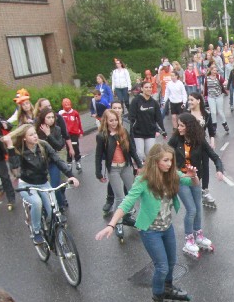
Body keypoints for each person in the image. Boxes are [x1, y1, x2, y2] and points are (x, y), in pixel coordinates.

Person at [95, 144, 196, 302]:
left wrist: (193, 175)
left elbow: (191, 182)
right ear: (155, 161)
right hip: (150, 230)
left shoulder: (172, 174)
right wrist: (112, 224)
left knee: (171, 262)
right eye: (165, 160)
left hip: (167, 227)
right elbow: (127, 201)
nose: (169, 164)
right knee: (162, 267)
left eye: (171, 160)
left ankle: (168, 287)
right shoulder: (144, 180)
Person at [8, 123, 78, 244]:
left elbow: (57, 160)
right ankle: (36, 231)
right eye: (31, 135)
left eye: (35, 133)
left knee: (53, 210)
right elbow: (15, 169)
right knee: (37, 202)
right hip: (27, 184)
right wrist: (10, 148)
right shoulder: (19, 149)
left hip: (43, 183)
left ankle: (58, 238)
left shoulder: (43, 145)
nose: (35, 136)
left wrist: (70, 175)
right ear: (24, 138)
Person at [169, 114, 224, 258]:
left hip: (195, 179)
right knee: (191, 209)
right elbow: (164, 155)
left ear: (190, 127)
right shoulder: (175, 139)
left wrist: (219, 169)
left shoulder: (199, 140)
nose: (179, 128)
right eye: (178, 125)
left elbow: (215, 156)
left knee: (198, 208)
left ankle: (198, 235)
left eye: (182, 125)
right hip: (181, 179)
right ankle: (189, 239)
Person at [94, 105, 142, 238]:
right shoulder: (102, 136)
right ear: (106, 121)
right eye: (111, 120)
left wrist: (139, 164)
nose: (114, 123)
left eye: (115, 120)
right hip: (113, 169)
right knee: (119, 197)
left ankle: (127, 216)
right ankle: (118, 222)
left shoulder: (123, 132)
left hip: (125, 166)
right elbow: (98, 155)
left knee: (132, 192)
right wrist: (98, 172)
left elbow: (132, 150)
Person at [36, 108, 73, 210]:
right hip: (41, 163)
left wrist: (49, 135)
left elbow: (59, 146)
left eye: (52, 117)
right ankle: (47, 207)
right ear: (43, 118)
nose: (51, 119)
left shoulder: (57, 129)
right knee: (43, 187)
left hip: (53, 161)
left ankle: (60, 206)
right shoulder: (36, 130)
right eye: (48, 117)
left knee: (54, 185)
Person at [128, 80, 166, 159]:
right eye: (146, 87)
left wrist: (163, 131)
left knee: (150, 155)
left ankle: (148, 167)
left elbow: (159, 118)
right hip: (138, 133)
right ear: (142, 89)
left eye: (150, 87)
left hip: (150, 132)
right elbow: (131, 117)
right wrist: (130, 131)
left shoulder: (154, 103)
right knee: (140, 155)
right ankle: (139, 167)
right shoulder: (136, 101)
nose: (149, 89)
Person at [202, 61, 229, 135]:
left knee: (220, 111)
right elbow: (205, 88)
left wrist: (225, 83)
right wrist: (204, 96)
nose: (215, 72)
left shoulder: (219, 77)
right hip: (211, 97)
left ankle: (225, 123)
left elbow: (224, 82)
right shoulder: (207, 78)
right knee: (213, 112)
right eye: (214, 70)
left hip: (219, 96)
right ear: (211, 70)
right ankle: (214, 125)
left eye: (216, 71)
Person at [58, 97, 84, 172]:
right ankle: (69, 162)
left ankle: (77, 161)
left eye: (68, 103)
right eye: (65, 104)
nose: (67, 105)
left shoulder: (75, 113)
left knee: (75, 147)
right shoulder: (60, 113)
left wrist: (81, 132)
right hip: (65, 134)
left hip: (74, 134)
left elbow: (79, 122)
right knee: (68, 148)